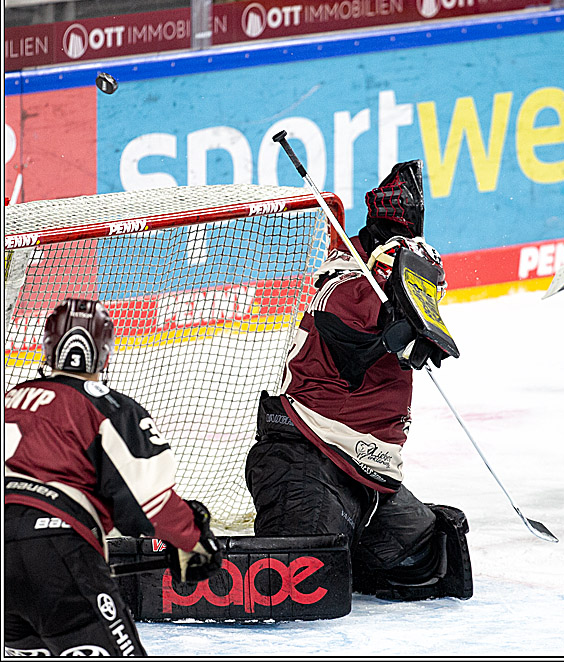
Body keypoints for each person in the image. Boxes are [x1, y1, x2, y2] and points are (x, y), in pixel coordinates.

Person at [245, 160, 473, 602]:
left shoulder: (395, 299)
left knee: (426, 561)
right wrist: (389, 326)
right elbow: (349, 332)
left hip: (369, 475)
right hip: (307, 456)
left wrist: (408, 324)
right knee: (299, 579)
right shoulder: (345, 281)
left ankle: (348, 543)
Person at [4, 298, 222, 657]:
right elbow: (149, 500)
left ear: (48, 347)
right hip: (57, 546)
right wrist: (195, 540)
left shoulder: (10, 398)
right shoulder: (107, 406)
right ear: (105, 353)